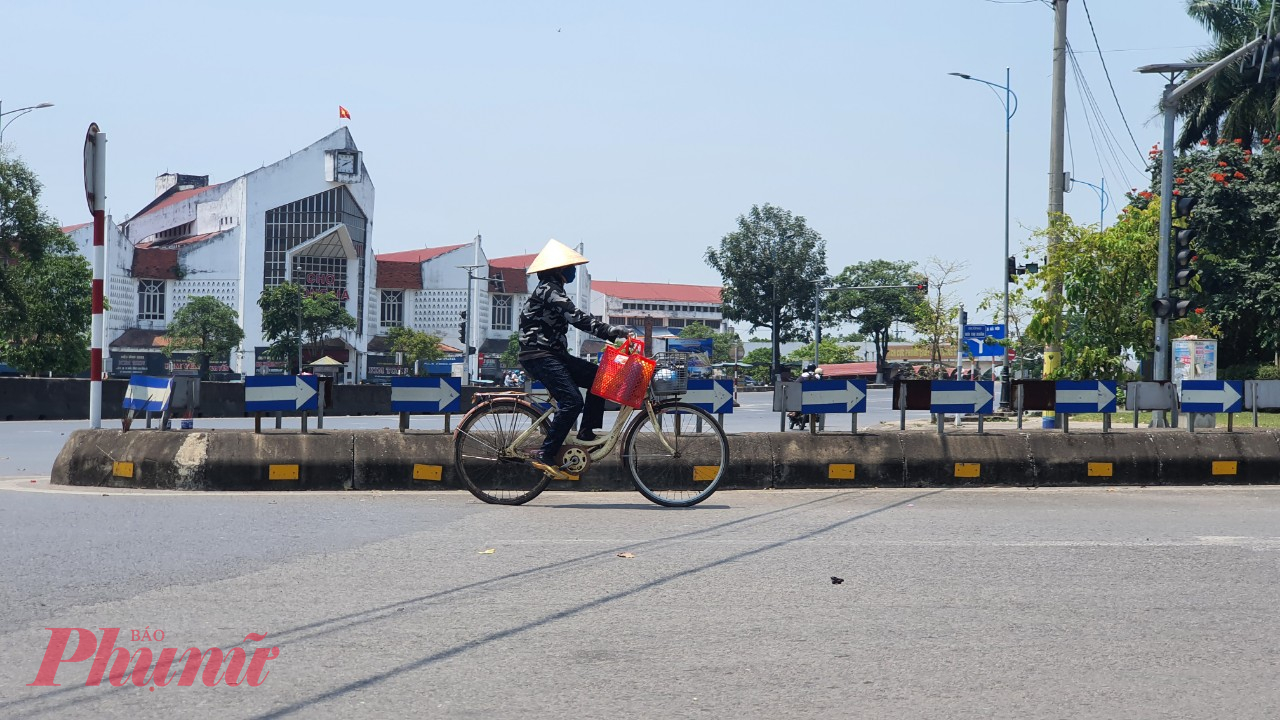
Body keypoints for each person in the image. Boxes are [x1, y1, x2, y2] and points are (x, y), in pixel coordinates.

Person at [518, 239, 632, 474]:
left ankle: (586, 433)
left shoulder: (554, 289)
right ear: (559, 269)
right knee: (572, 401)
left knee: (599, 378)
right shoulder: (548, 290)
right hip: (539, 355)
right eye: (570, 267)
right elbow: (576, 317)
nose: (573, 271)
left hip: (554, 354)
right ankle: (546, 453)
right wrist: (609, 330)